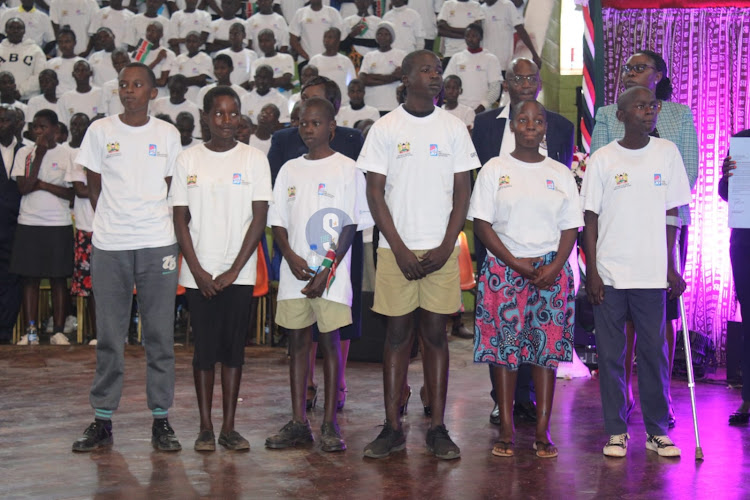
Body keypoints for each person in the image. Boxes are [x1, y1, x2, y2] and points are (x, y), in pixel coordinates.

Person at [358, 49, 479, 460]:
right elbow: (375, 193)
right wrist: (398, 247)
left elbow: (463, 192)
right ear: (406, 78)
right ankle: (392, 427)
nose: (435, 76)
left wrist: (449, 244)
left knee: (435, 336)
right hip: (397, 250)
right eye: (426, 70)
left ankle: (438, 427)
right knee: (396, 337)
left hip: (441, 250)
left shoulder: (454, 128)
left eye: (438, 71)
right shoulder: (386, 128)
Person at [72, 63, 183, 453]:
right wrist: (114, 218)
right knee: (109, 336)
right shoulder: (100, 131)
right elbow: (93, 183)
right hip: (111, 244)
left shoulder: (167, 134)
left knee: (159, 336)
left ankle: (161, 419)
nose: (129, 90)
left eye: (138, 85)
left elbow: (174, 188)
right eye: (124, 84)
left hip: (157, 242)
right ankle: (102, 420)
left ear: (153, 93)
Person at [591, 49, 699, 429]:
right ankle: (623, 396)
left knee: (658, 320)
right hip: (618, 230)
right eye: (628, 67)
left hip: (664, 229)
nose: (632, 72)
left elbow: (688, 172)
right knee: (619, 323)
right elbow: (599, 167)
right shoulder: (607, 113)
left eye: (641, 67)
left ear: (659, 75)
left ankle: (661, 397)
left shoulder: (678, 116)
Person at [471, 99, 581, 458]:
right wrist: (514, 264)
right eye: (523, 119)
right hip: (504, 270)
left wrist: (554, 266)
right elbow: (483, 225)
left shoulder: (560, 173)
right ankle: (505, 429)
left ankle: (543, 433)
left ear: (545, 127)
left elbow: (570, 226)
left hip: (551, 272)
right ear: (514, 126)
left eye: (538, 120)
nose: (530, 125)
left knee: (544, 353)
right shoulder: (494, 169)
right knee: (505, 354)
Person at [266, 96, 371, 453]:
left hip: (332, 276)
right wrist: (291, 257)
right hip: (296, 272)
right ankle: (299, 421)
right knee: (297, 345)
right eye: (302, 123)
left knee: (329, 345)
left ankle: (329, 423)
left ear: (331, 127)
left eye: (315, 123)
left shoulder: (347, 169)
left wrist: (327, 269)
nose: (308, 129)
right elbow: (277, 219)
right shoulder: (290, 170)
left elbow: (349, 225)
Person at [173, 86, 272, 452]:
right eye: (218, 113)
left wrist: (232, 270)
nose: (226, 121)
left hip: (239, 273)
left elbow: (259, 218)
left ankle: (229, 427)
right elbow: (180, 219)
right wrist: (197, 270)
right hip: (198, 273)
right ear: (205, 117)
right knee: (203, 351)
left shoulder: (254, 160)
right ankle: (204, 427)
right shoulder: (188, 160)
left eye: (233, 113)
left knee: (233, 351)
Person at [10, 109, 75, 346]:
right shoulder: (24, 153)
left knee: (59, 279)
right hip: (29, 222)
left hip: (58, 223)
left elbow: (71, 193)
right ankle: (31, 331)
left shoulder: (67, 154)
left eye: (44, 127)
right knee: (30, 279)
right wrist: (39, 154)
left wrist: (43, 184)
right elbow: (23, 187)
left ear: (56, 130)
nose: (39, 131)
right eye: (36, 127)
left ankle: (58, 330)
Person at [720, 132, 750, 425]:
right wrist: (727, 176)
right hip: (746, 242)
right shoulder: (744, 141)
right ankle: (748, 399)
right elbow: (727, 193)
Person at [64, 112, 96, 343]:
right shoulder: (80, 159)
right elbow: (81, 191)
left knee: (115, 286)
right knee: (91, 287)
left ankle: (116, 333)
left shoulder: (114, 158)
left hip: (113, 229)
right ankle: (94, 333)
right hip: (86, 228)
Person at [0, 104, 24, 344]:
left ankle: (5, 331)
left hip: (18, 226)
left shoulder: (28, 151)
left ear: (18, 124)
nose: (1, 125)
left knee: (13, 279)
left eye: (6, 120)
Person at [444, 24, 501, 115]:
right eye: (467, 36)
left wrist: (481, 108)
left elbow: (495, 89)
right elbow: (446, 83)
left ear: (481, 37)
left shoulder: (491, 59)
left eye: (474, 36)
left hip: (482, 112)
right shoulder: (456, 58)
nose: (470, 39)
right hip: (458, 111)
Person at [359, 21, 406, 115]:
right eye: (379, 34)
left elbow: (400, 76)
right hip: (371, 104)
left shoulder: (401, 55)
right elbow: (363, 79)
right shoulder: (369, 56)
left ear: (392, 37)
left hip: (392, 104)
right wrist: (391, 77)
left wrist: (372, 76)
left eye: (386, 34)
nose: (383, 37)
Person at [481, 0, 541, 74]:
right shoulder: (480, 9)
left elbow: (520, 30)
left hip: (503, 65)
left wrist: (534, 54)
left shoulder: (507, 5)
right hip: (486, 65)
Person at [308, 28, 357, 107]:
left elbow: (351, 83)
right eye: (325, 37)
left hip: (342, 105)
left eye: (330, 37)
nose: (326, 40)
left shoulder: (345, 61)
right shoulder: (315, 60)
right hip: (321, 105)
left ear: (338, 40)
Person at [0, 18, 46, 100]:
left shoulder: (35, 50)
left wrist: (21, 91)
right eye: (11, 28)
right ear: (6, 30)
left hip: (27, 98)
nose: (15, 31)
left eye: (19, 28)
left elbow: (40, 75)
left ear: (24, 31)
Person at [289, 0, 343, 65]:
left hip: (328, 60)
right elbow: (293, 39)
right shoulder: (300, 13)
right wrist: (307, 57)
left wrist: (329, 55)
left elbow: (338, 37)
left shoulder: (332, 12)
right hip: (305, 60)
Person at [437, 0, 485, 64]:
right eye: (467, 36)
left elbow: (477, 29)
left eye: (469, 35)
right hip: (450, 53)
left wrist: (449, 29)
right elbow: (441, 31)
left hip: (471, 53)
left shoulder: (475, 5)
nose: (468, 37)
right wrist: (468, 35)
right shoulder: (448, 4)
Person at [57, 60, 103, 126]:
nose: (80, 73)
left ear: (90, 73)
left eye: (84, 70)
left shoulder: (100, 93)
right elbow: (62, 123)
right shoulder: (65, 98)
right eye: (77, 70)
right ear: (73, 74)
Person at [250, 29, 295, 96]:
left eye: (267, 41)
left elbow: (286, 79)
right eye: (261, 41)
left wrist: (262, 83)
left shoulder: (286, 58)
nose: (263, 44)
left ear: (274, 41)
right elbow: (253, 85)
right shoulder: (256, 63)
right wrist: (279, 83)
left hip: (283, 100)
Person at [173, 31, 212, 104]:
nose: (191, 44)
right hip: (180, 99)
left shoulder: (205, 58)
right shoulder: (178, 59)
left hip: (197, 98)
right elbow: (172, 81)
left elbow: (201, 80)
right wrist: (194, 80)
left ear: (199, 43)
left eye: (194, 41)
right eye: (188, 41)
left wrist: (180, 82)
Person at [216, 23, 258, 87]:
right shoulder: (221, 54)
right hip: (225, 90)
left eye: (236, 34)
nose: (233, 36)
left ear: (244, 35)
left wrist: (238, 89)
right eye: (231, 34)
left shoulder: (252, 55)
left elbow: (253, 77)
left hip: (244, 91)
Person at [45, 28, 85, 95]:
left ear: (74, 43)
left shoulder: (82, 63)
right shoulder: (50, 64)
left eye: (67, 42)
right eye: (60, 42)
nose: (63, 45)